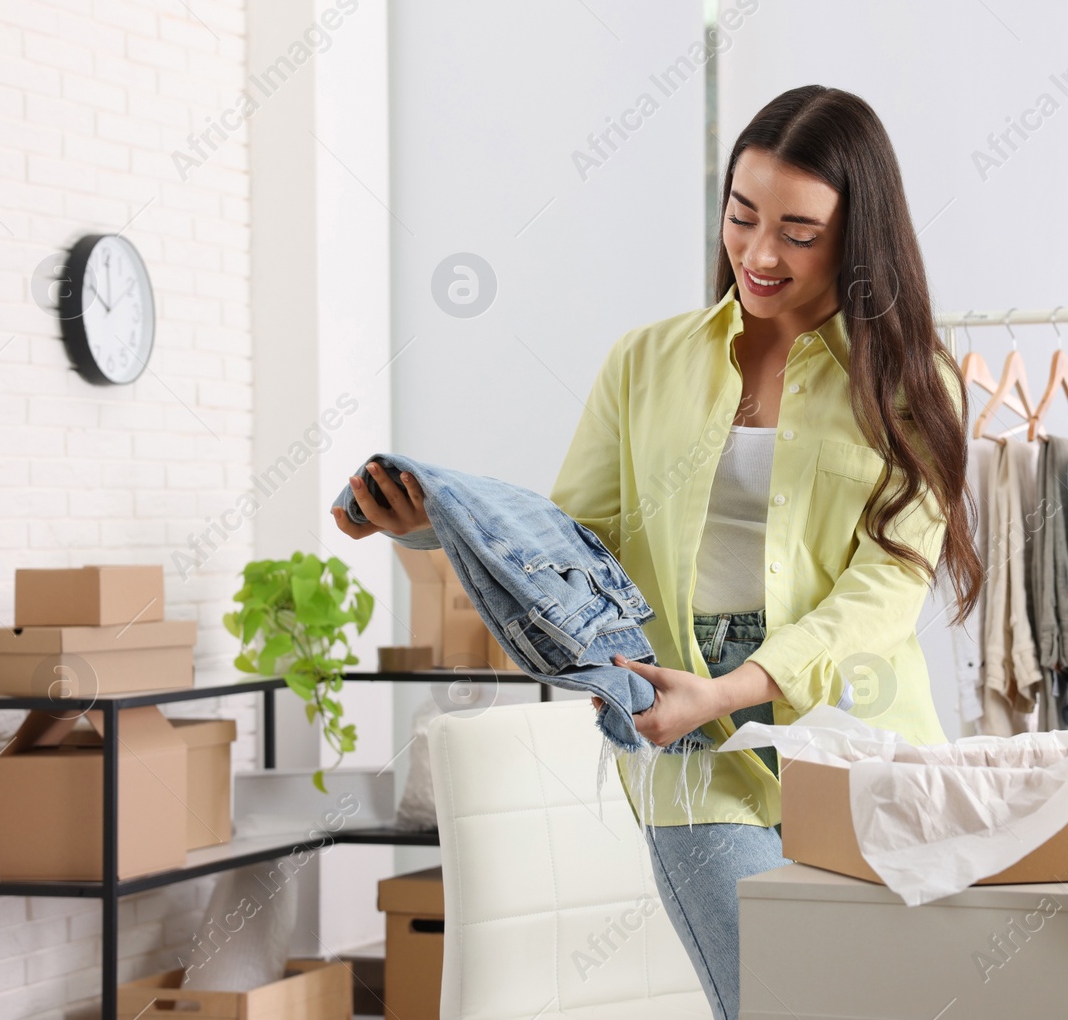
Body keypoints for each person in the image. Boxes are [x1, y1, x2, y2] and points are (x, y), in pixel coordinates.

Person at [332, 84, 979, 1020]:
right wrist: (433, 522)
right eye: (742, 215)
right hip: (686, 720)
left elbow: (887, 588)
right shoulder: (646, 362)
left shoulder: (914, 384)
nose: (759, 253)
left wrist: (745, 681)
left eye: (797, 231)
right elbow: (574, 543)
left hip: (861, 730)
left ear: (857, 236)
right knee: (778, 1001)